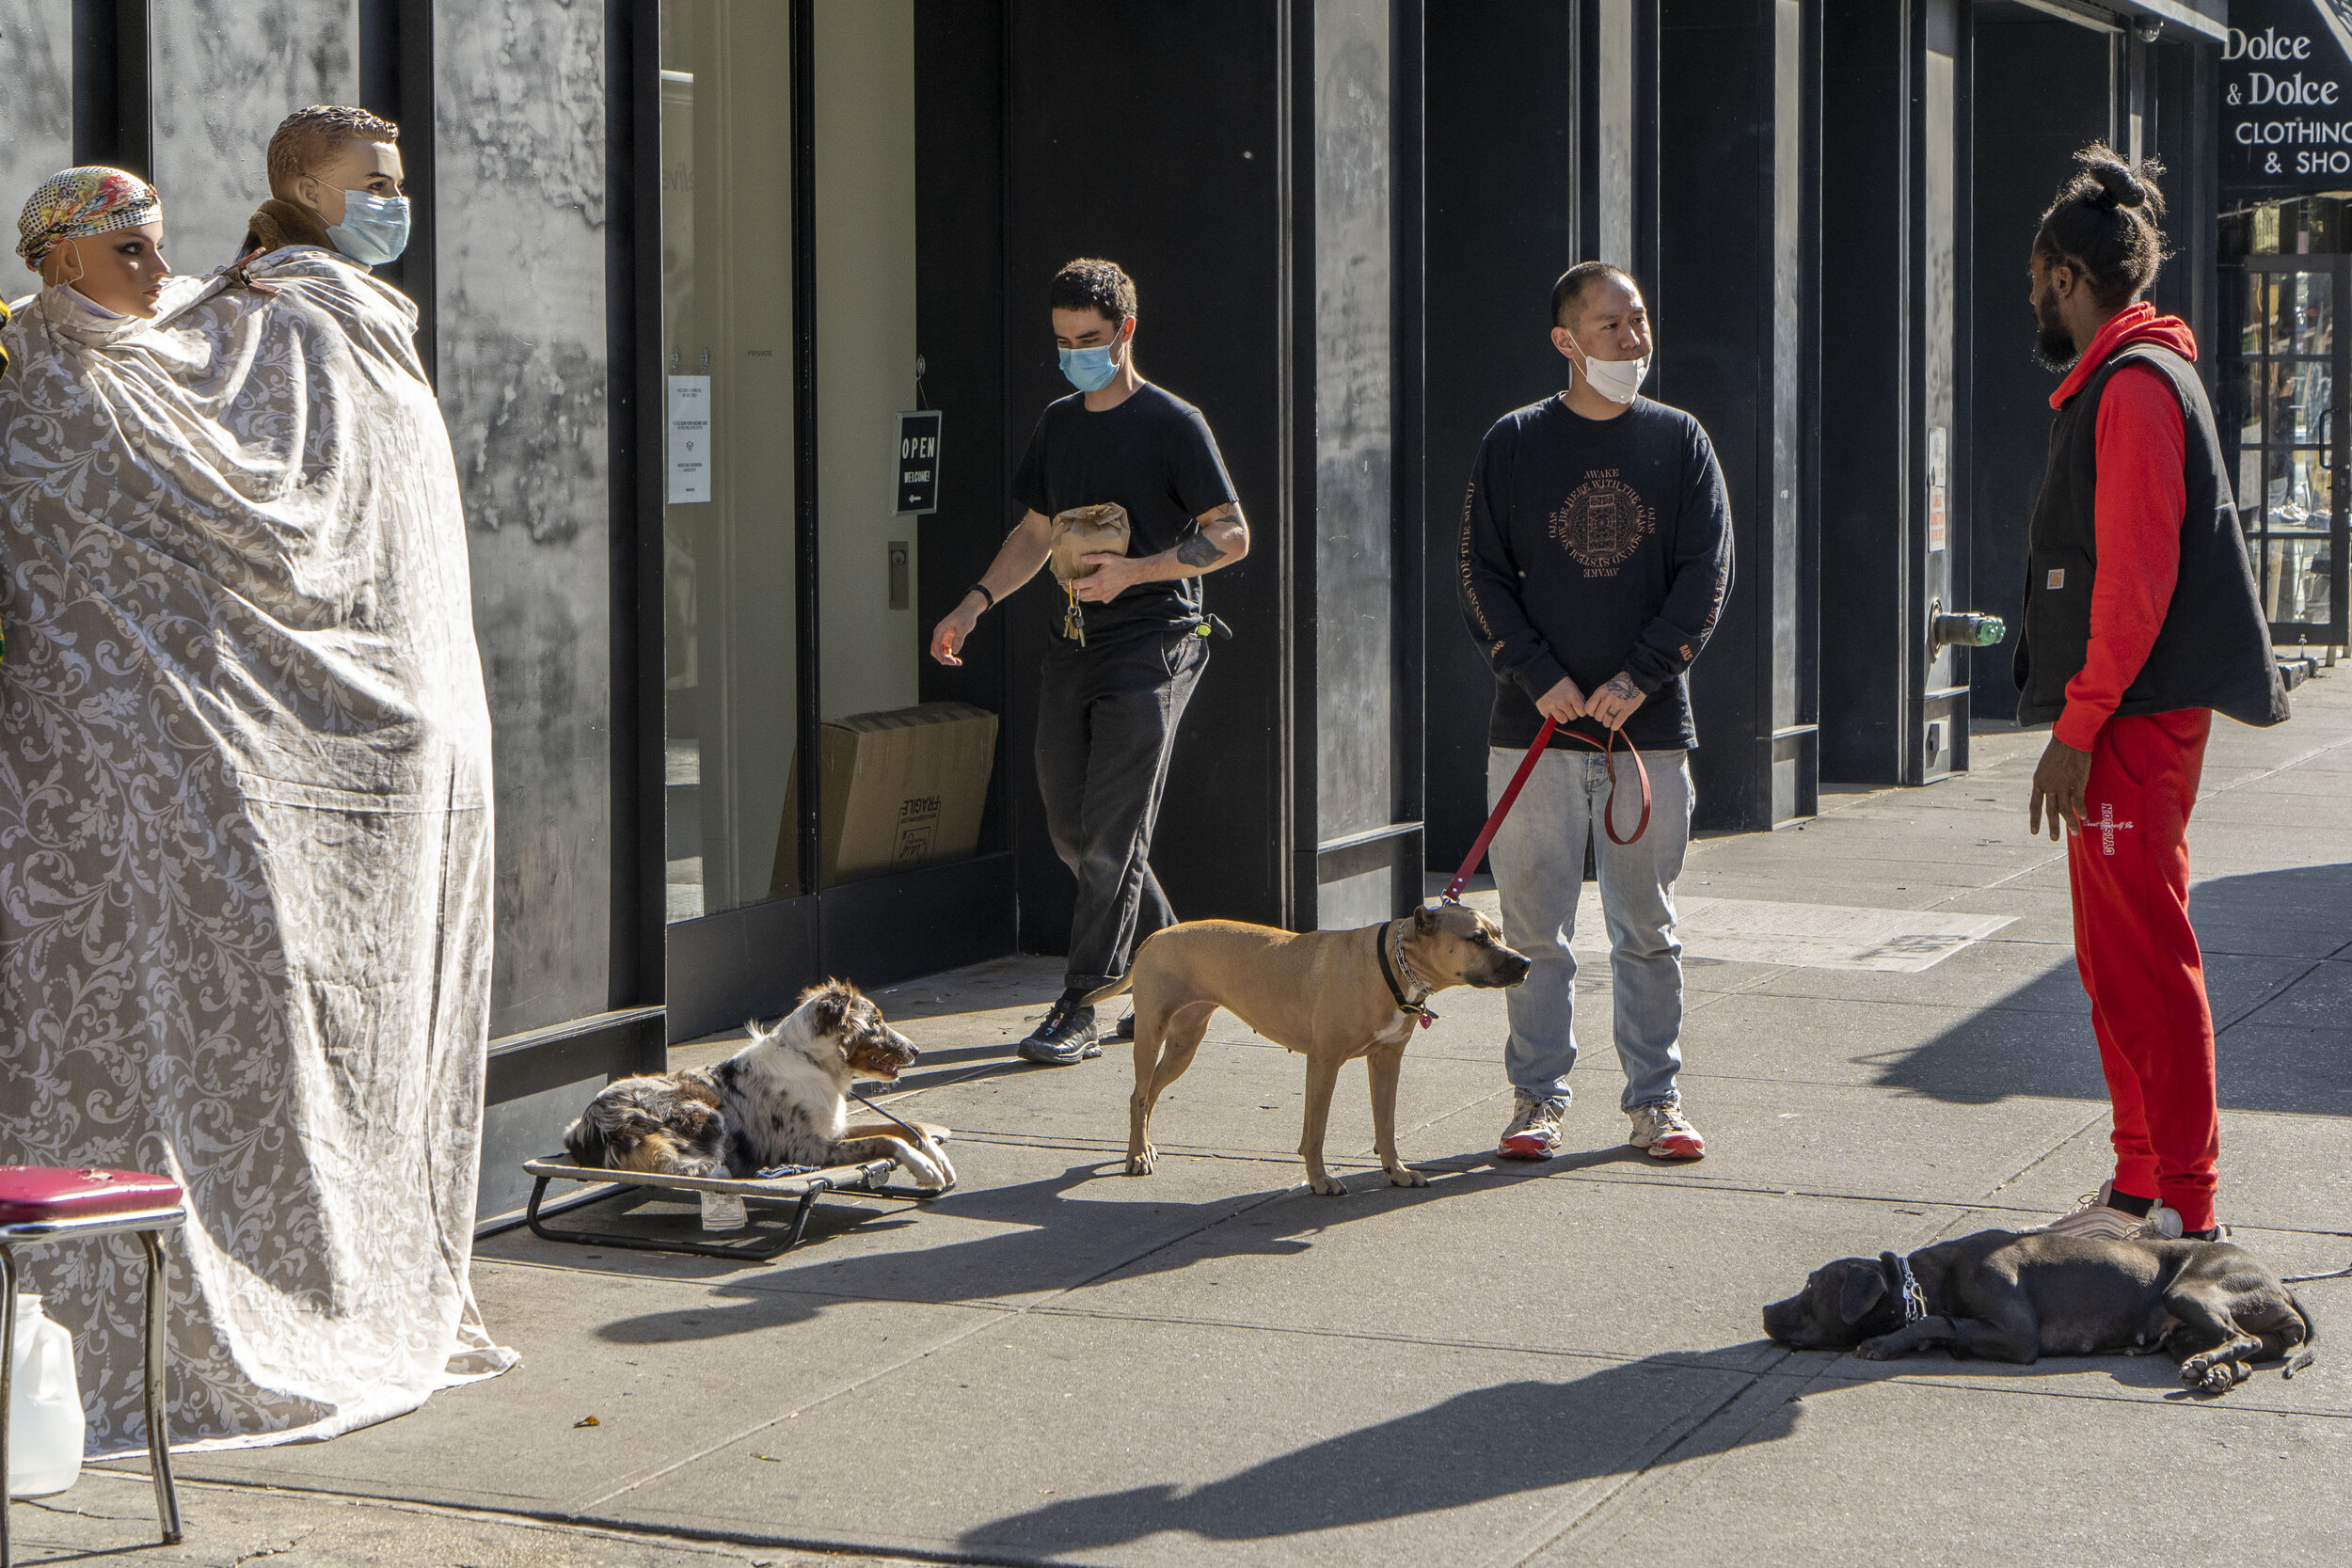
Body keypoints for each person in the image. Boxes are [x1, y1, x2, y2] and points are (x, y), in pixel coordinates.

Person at [0, 158, 509, 1454]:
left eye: (163, 248)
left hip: (164, 779)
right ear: (59, 258)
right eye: (129, 253)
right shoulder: (32, 372)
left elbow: (252, 518)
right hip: (70, 791)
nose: (156, 276)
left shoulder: (170, 361)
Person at [2014, 147, 2288, 1243]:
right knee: (2114, 954)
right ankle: (2142, 1183)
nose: (2032, 298)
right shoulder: (2133, 375)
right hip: (2124, 712)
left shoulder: (2132, 387)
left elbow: (2133, 581)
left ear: (2064, 273)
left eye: (2036, 278)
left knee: (2143, 955)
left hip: (2127, 717)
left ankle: (2183, 1197)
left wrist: (2075, 728)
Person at [930, 258, 1247, 1064]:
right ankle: (1181, 970)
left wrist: (1138, 570)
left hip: (1157, 645)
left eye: (1091, 339)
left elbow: (1232, 534)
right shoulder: (1060, 423)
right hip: (1072, 644)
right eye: (1064, 341)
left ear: (1126, 332)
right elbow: (1035, 535)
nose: (1076, 352)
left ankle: (1081, 1000)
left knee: (1112, 832)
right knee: (1074, 830)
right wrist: (972, 604)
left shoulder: (1176, 424)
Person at [1457, 261, 1734, 1164]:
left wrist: (1640, 678)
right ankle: (1537, 1099)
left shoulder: (1681, 441)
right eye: (1611, 326)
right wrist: (1535, 674)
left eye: (1641, 320)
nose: (1634, 339)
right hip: (1533, 730)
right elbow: (1480, 575)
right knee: (1534, 930)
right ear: (1565, 342)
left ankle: (1656, 1102)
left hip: (1643, 734)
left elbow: (1707, 575)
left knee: (1646, 930)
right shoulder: (1514, 442)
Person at [239, 103, 410, 265]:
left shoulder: (247, 279)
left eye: (399, 187)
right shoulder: (320, 291)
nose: (398, 200)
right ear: (310, 193)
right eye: (377, 186)